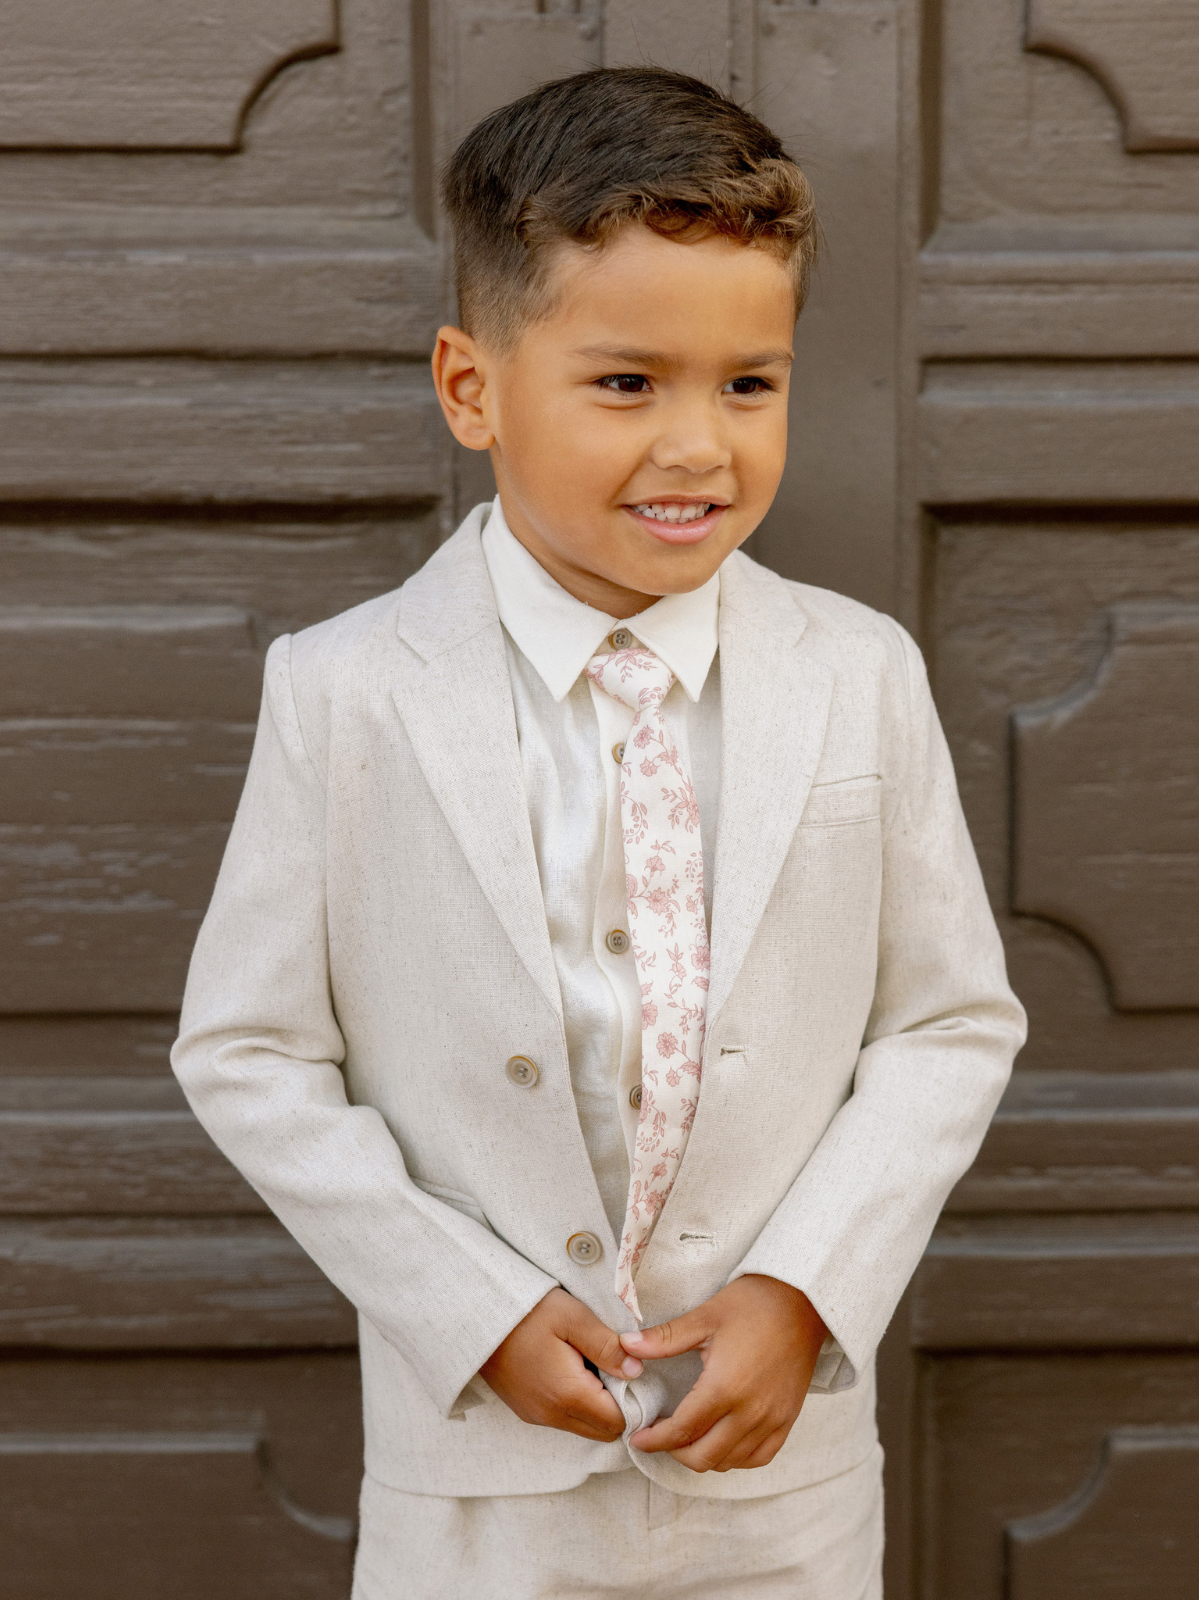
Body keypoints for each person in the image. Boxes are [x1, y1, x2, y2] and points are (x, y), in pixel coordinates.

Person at [172, 66, 1026, 1599]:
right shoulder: (345, 693)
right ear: (470, 386)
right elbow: (247, 1053)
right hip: (478, 1488)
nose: (698, 446)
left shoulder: (859, 674)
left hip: (780, 1477)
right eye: (628, 383)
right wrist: (468, 1308)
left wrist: (803, 1294)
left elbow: (948, 1022)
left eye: (746, 384)